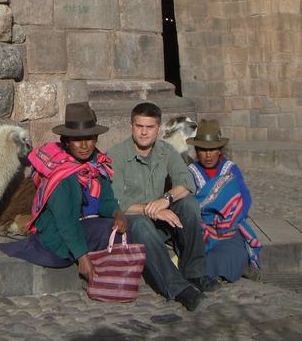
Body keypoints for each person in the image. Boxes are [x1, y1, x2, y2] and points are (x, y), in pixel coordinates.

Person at [0, 102, 128, 284]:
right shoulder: (61, 175)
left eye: (89, 138)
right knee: (122, 232)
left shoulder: (96, 165)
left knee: (129, 226)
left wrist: (117, 213)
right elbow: (66, 221)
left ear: (96, 138)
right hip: (60, 236)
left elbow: (105, 200)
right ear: (66, 142)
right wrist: (83, 259)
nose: (84, 145)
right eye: (77, 140)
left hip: (85, 225)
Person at [108, 102, 218, 312]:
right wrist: (151, 208)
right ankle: (178, 289)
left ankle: (194, 272)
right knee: (140, 223)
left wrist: (166, 200)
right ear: (131, 126)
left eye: (149, 127)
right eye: (139, 126)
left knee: (189, 205)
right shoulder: (117, 155)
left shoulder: (166, 151)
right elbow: (116, 201)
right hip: (133, 222)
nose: (143, 132)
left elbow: (187, 182)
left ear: (158, 128)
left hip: (160, 219)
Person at [187, 119, 262, 283]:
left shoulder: (230, 169)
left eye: (212, 149)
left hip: (229, 227)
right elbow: (190, 202)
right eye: (203, 150)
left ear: (219, 150)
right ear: (196, 150)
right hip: (202, 228)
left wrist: (231, 221)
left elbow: (244, 198)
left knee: (233, 249)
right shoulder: (191, 172)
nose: (208, 155)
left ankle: (228, 267)